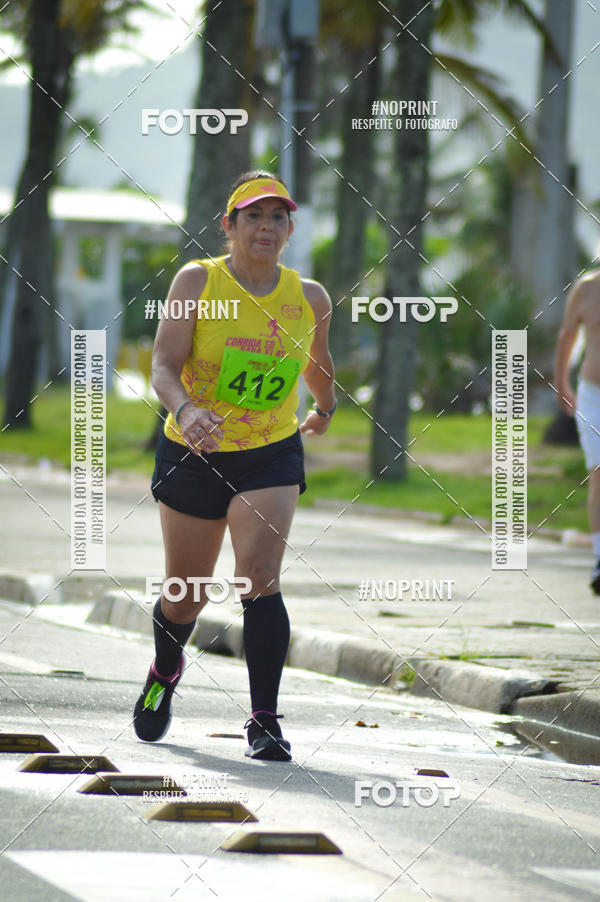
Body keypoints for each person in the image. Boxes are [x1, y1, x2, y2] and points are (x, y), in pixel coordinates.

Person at [133, 171, 336, 760]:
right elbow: (164, 365)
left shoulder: (310, 297)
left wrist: (325, 406)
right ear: (229, 226)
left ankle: (265, 721)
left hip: (270, 452)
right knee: (185, 593)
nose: (267, 227)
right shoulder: (199, 280)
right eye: (254, 216)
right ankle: (164, 673)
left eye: (278, 217)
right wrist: (187, 409)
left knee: (259, 577)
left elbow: (314, 363)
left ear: (290, 229)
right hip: (195, 451)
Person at [554, 268, 600, 593]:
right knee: (599, 473)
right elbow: (567, 334)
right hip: (594, 394)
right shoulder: (586, 288)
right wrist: (561, 382)